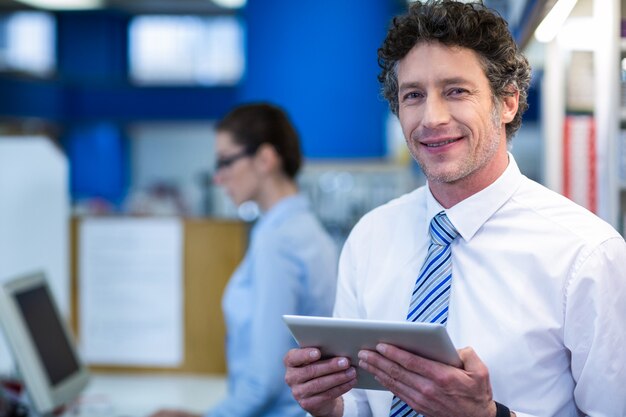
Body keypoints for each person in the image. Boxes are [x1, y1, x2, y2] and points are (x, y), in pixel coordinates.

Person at [283, 1, 626, 417]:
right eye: (413, 95)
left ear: (508, 103)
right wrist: (329, 406)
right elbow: (360, 406)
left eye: (456, 91)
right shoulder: (371, 236)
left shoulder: (587, 254)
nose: (432, 117)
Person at [151, 103, 339, 417]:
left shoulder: (276, 239)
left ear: (265, 158)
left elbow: (264, 381)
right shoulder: (306, 229)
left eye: (226, 161)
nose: (218, 177)